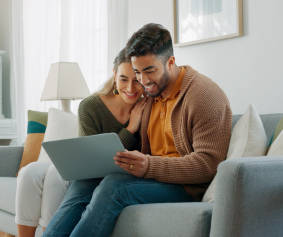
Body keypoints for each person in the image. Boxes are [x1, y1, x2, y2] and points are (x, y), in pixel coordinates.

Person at [43, 23, 232, 237]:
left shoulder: (203, 96)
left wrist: (149, 165)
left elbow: (209, 164)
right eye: (136, 72)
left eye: (149, 71)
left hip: (187, 186)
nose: (142, 81)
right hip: (155, 178)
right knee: (84, 182)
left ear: (170, 62)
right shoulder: (151, 94)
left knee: (115, 187)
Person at [16, 48, 145, 237]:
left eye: (137, 80)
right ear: (114, 75)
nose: (131, 88)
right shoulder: (91, 106)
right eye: (124, 79)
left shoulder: (148, 107)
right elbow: (90, 161)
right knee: (73, 191)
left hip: (124, 176)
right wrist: (131, 128)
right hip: (91, 175)